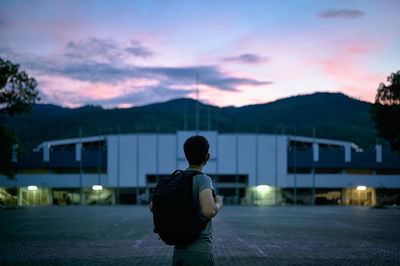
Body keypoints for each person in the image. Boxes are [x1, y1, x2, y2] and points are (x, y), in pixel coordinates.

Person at [150, 135, 223, 266]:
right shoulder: (203, 179)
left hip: (179, 251)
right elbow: (209, 211)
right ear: (207, 156)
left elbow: (152, 206)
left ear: (186, 155)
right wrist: (218, 202)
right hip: (200, 251)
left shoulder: (175, 179)